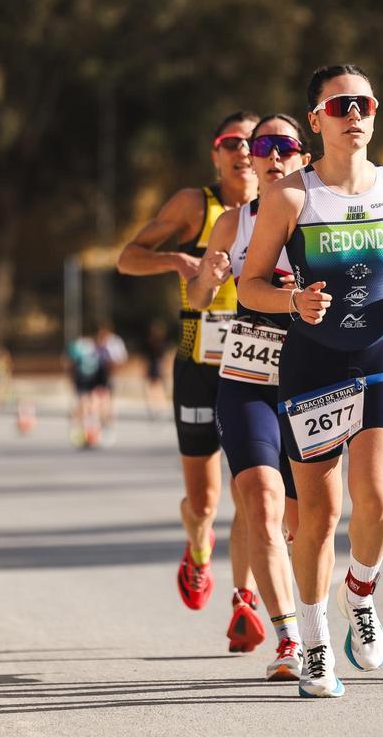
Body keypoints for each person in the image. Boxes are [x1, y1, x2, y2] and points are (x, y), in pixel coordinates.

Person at [238, 65, 383, 698]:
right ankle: (317, 642)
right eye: (341, 104)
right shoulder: (291, 198)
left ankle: (359, 590)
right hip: (311, 365)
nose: (355, 113)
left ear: (375, 115)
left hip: (379, 357)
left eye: (365, 103)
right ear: (318, 119)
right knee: (320, 516)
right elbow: (250, 286)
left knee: (379, 496)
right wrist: (292, 305)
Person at [116, 111, 264, 651]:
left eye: (254, 141)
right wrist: (178, 259)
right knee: (203, 503)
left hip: (255, 365)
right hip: (198, 362)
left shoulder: (280, 204)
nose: (244, 151)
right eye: (231, 142)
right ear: (215, 154)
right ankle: (198, 549)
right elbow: (127, 259)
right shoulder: (194, 206)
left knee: (249, 491)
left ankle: (244, 600)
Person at [188, 114, 310, 680]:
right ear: (254, 161)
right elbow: (197, 294)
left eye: (286, 145)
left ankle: (322, 617)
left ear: (303, 157)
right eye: (264, 145)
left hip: (313, 380)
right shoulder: (233, 222)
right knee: (260, 503)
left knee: (305, 518)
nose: (272, 154)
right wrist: (208, 277)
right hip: (246, 377)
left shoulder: (320, 218)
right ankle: (288, 640)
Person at [65, 334, 104, 447]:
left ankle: (84, 430)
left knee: (84, 404)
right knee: (90, 405)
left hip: (82, 380)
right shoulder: (94, 348)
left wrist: (71, 378)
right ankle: (91, 431)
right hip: (91, 380)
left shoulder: (76, 348)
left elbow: (69, 364)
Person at [94, 323, 128, 435]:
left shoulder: (115, 342)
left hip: (111, 373)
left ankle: (109, 420)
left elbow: (122, 358)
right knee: (100, 396)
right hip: (100, 373)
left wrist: (113, 365)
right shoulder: (99, 343)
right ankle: (102, 419)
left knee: (108, 397)